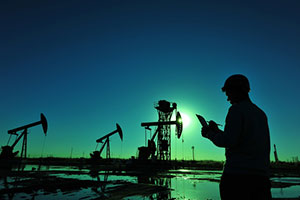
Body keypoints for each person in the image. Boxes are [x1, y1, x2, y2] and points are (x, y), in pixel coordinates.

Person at [201, 74, 272, 200]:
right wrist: (217, 131)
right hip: (261, 178)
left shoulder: (236, 110)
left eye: (228, 93)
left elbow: (228, 141)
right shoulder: (261, 114)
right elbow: (241, 138)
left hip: (237, 178)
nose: (227, 97)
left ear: (236, 90)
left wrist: (209, 134)